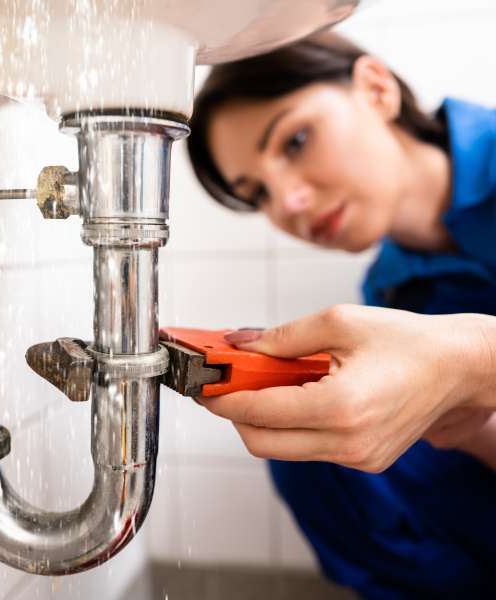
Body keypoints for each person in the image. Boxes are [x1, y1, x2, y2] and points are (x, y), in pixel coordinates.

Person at [186, 32, 496, 599]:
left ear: (375, 89)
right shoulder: (389, 293)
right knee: (316, 450)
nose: (288, 204)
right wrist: (471, 430)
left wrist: (476, 358)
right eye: (257, 194)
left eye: (296, 140)